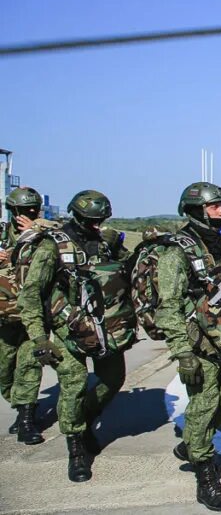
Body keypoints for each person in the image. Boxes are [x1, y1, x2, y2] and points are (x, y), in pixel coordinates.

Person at [17, 190, 132, 482]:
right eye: (91, 220)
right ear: (76, 216)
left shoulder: (106, 243)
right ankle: (77, 448)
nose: (96, 225)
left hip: (105, 328)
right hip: (67, 329)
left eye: (101, 220)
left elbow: (129, 266)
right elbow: (31, 295)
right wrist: (39, 338)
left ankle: (82, 419)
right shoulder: (52, 247)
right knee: (73, 383)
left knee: (112, 379)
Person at [154, 182, 221, 512]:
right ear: (195, 210)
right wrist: (182, 353)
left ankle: (193, 441)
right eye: (214, 207)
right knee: (204, 405)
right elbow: (168, 306)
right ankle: (206, 480)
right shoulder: (177, 252)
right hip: (199, 342)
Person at [0, 187, 47, 444]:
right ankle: (20, 404)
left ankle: (26, 418)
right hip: (3, 315)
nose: (27, 215)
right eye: (22, 211)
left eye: (33, 210)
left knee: (29, 365)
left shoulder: (44, 234)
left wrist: (35, 229)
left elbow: (63, 241)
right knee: (4, 370)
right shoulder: (1, 234)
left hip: (33, 315)